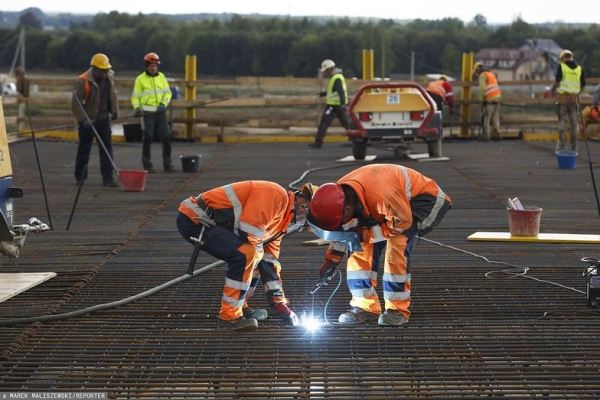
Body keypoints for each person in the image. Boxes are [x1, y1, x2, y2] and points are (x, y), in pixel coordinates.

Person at [308, 164, 451, 327]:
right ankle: (365, 307)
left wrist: (365, 235)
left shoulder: (381, 197)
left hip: (423, 200)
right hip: (389, 204)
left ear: (347, 210)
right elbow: (344, 231)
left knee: (397, 245)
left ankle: (397, 310)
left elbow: (402, 223)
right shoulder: (338, 195)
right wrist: (332, 259)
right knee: (359, 245)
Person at [177, 181, 318, 331]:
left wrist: (280, 304)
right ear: (305, 206)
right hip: (194, 219)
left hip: (210, 222)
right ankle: (229, 317)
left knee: (257, 257)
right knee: (247, 254)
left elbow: (270, 264)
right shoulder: (276, 195)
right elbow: (247, 231)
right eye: (306, 223)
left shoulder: (280, 225)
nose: (301, 227)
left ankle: (240, 306)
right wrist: (258, 256)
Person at [71, 53, 119, 187]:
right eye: (102, 71)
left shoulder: (109, 77)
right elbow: (75, 104)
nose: (105, 73)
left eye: (106, 70)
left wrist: (114, 111)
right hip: (88, 120)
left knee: (107, 148)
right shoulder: (82, 81)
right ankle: (80, 177)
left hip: (103, 119)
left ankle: (108, 179)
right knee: (84, 148)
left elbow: (113, 95)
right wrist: (83, 119)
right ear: (95, 69)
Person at [131, 52, 175, 173]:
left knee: (166, 137)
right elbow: (136, 96)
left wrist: (163, 104)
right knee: (148, 138)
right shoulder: (140, 80)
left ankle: (168, 163)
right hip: (147, 112)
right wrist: (137, 108)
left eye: (155, 65)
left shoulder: (162, 77)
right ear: (146, 66)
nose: (154, 67)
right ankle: (147, 164)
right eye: (151, 65)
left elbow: (167, 93)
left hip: (160, 112)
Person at [309, 59, 351, 149]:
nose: (326, 73)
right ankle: (354, 140)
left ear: (331, 68)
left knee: (324, 123)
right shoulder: (336, 77)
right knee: (346, 124)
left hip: (334, 106)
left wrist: (343, 104)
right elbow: (333, 91)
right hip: (338, 106)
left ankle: (318, 142)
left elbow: (340, 92)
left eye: (326, 70)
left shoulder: (336, 78)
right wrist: (323, 94)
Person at [550, 49, 586, 152]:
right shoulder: (579, 69)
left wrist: (552, 90)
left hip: (563, 100)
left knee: (562, 122)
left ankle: (562, 145)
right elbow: (583, 86)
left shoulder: (561, 67)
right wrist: (576, 93)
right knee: (574, 124)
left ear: (562, 58)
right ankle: (574, 147)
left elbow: (557, 81)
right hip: (574, 100)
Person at [473, 62, 502, 142]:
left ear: (478, 70)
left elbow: (482, 89)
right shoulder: (490, 74)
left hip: (490, 99)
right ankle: (497, 134)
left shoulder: (482, 75)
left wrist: (481, 100)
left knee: (487, 118)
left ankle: (486, 135)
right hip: (498, 98)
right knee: (495, 118)